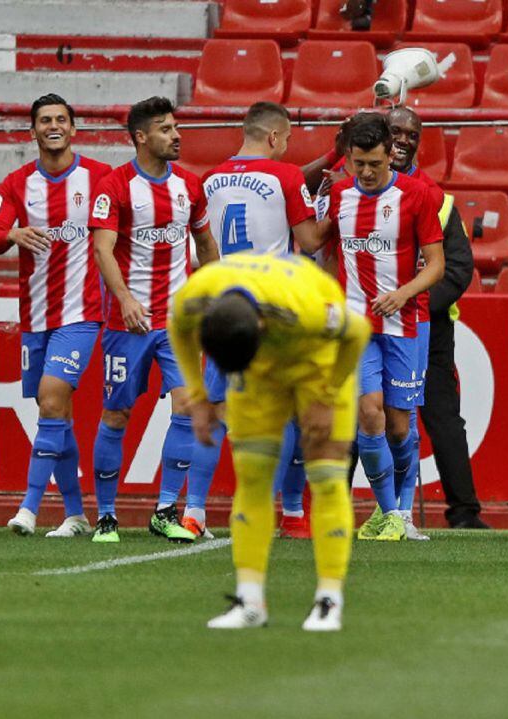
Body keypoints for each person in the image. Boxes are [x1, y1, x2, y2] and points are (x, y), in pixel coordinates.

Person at [168, 252, 371, 630]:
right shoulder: (195, 296)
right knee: (253, 473)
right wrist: (197, 394)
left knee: (326, 475)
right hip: (258, 373)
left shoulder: (306, 307)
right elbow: (177, 327)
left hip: (319, 360)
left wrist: (327, 395)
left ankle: (329, 600)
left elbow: (358, 332)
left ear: (261, 326)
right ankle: (249, 601)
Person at [300, 113, 445, 542]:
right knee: (368, 414)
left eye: (373, 164)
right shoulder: (340, 193)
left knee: (400, 424)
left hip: (403, 322)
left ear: (390, 155)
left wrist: (404, 293)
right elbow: (314, 243)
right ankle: (389, 515)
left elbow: (436, 266)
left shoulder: (417, 196)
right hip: (356, 325)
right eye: (357, 163)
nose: (364, 173)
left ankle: (402, 511)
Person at [183, 101, 319, 540]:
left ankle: (194, 511)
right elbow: (310, 240)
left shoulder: (210, 179)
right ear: (276, 137)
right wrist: (336, 214)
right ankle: (291, 513)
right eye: (288, 141)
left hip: (224, 310)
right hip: (273, 312)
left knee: (217, 412)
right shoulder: (287, 177)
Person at [88, 96, 219, 543]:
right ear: (141, 137)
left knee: (186, 406)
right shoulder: (115, 186)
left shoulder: (189, 185)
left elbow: (205, 243)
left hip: (177, 322)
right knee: (118, 412)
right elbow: (103, 248)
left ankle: (165, 509)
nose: (177, 135)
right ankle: (105, 514)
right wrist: (124, 298)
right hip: (129, 324)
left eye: (176, 127)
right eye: (165, 129)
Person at [0, 93, 112, 537]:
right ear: (33, 130)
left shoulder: (99, 177)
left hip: (82, 312)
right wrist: (14, 231)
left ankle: (29, 509)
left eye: (60, 119)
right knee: (56, 413)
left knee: (53, 399)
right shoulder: (18, 183)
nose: (53, 125)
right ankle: (75, 515)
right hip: (36, 315)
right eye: (44, 120)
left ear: (73, 129)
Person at [386, 106, 488, 530]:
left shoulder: (438, 199)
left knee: (443, 418)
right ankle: (342, 507)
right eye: (395, 131)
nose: (403, 139)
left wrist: (418, 305)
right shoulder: (357, 189)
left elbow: (460, 269)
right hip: (374, 319)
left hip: (430, 326)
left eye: (412, 133)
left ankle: (465, 513)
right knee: (369, 414)